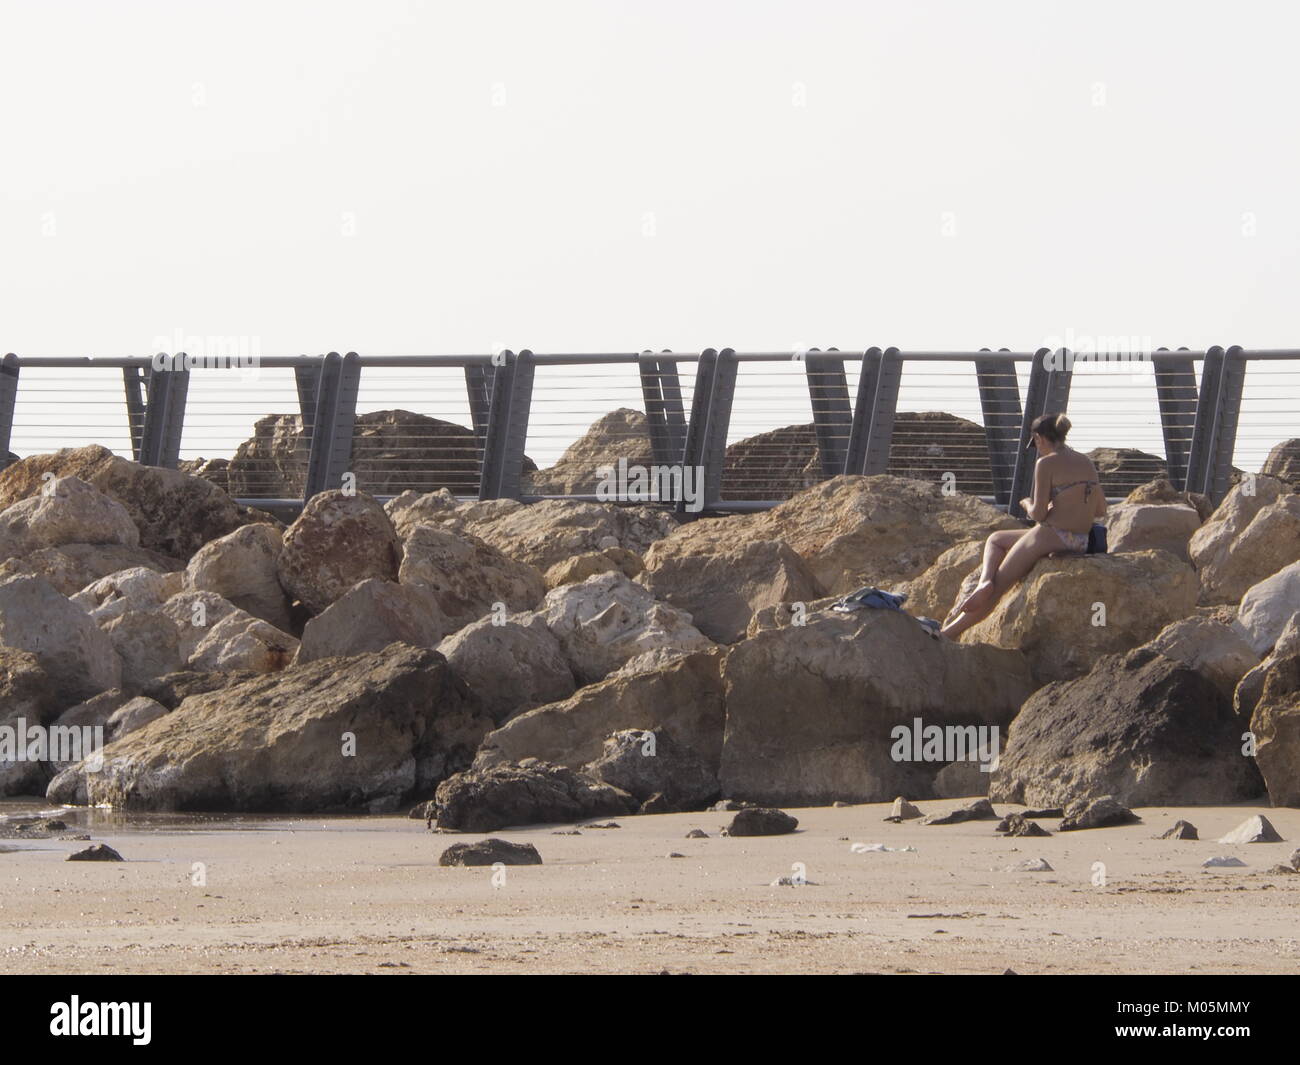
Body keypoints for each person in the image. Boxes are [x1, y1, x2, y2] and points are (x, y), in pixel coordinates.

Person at [939, 412, 1106, 639]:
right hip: (1082, 540)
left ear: (1039, 438)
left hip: (1051, 535)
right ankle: (984, 580)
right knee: (997, 539)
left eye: (1035, 443)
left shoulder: (1046, 463)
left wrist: (1027, 503)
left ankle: (949, 631)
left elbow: (1037, 514)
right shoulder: (1085, 461)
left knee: (999, 588)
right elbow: (1100, 510)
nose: (1037, 448)